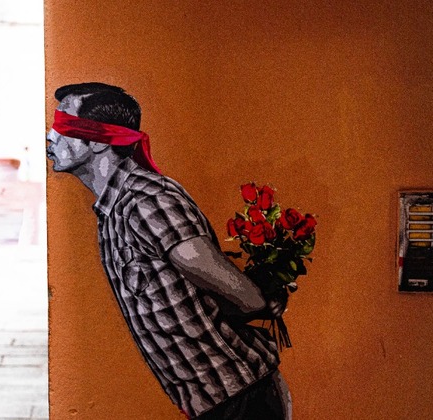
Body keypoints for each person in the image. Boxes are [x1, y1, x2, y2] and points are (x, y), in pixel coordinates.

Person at [46, 82, 292, 419]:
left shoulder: (145, 201)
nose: (51, 136)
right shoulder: (113, 210)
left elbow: (230, 287)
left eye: (64, 125)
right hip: (214, 401)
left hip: (241, 399)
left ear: (100, 141)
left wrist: (262, 299)